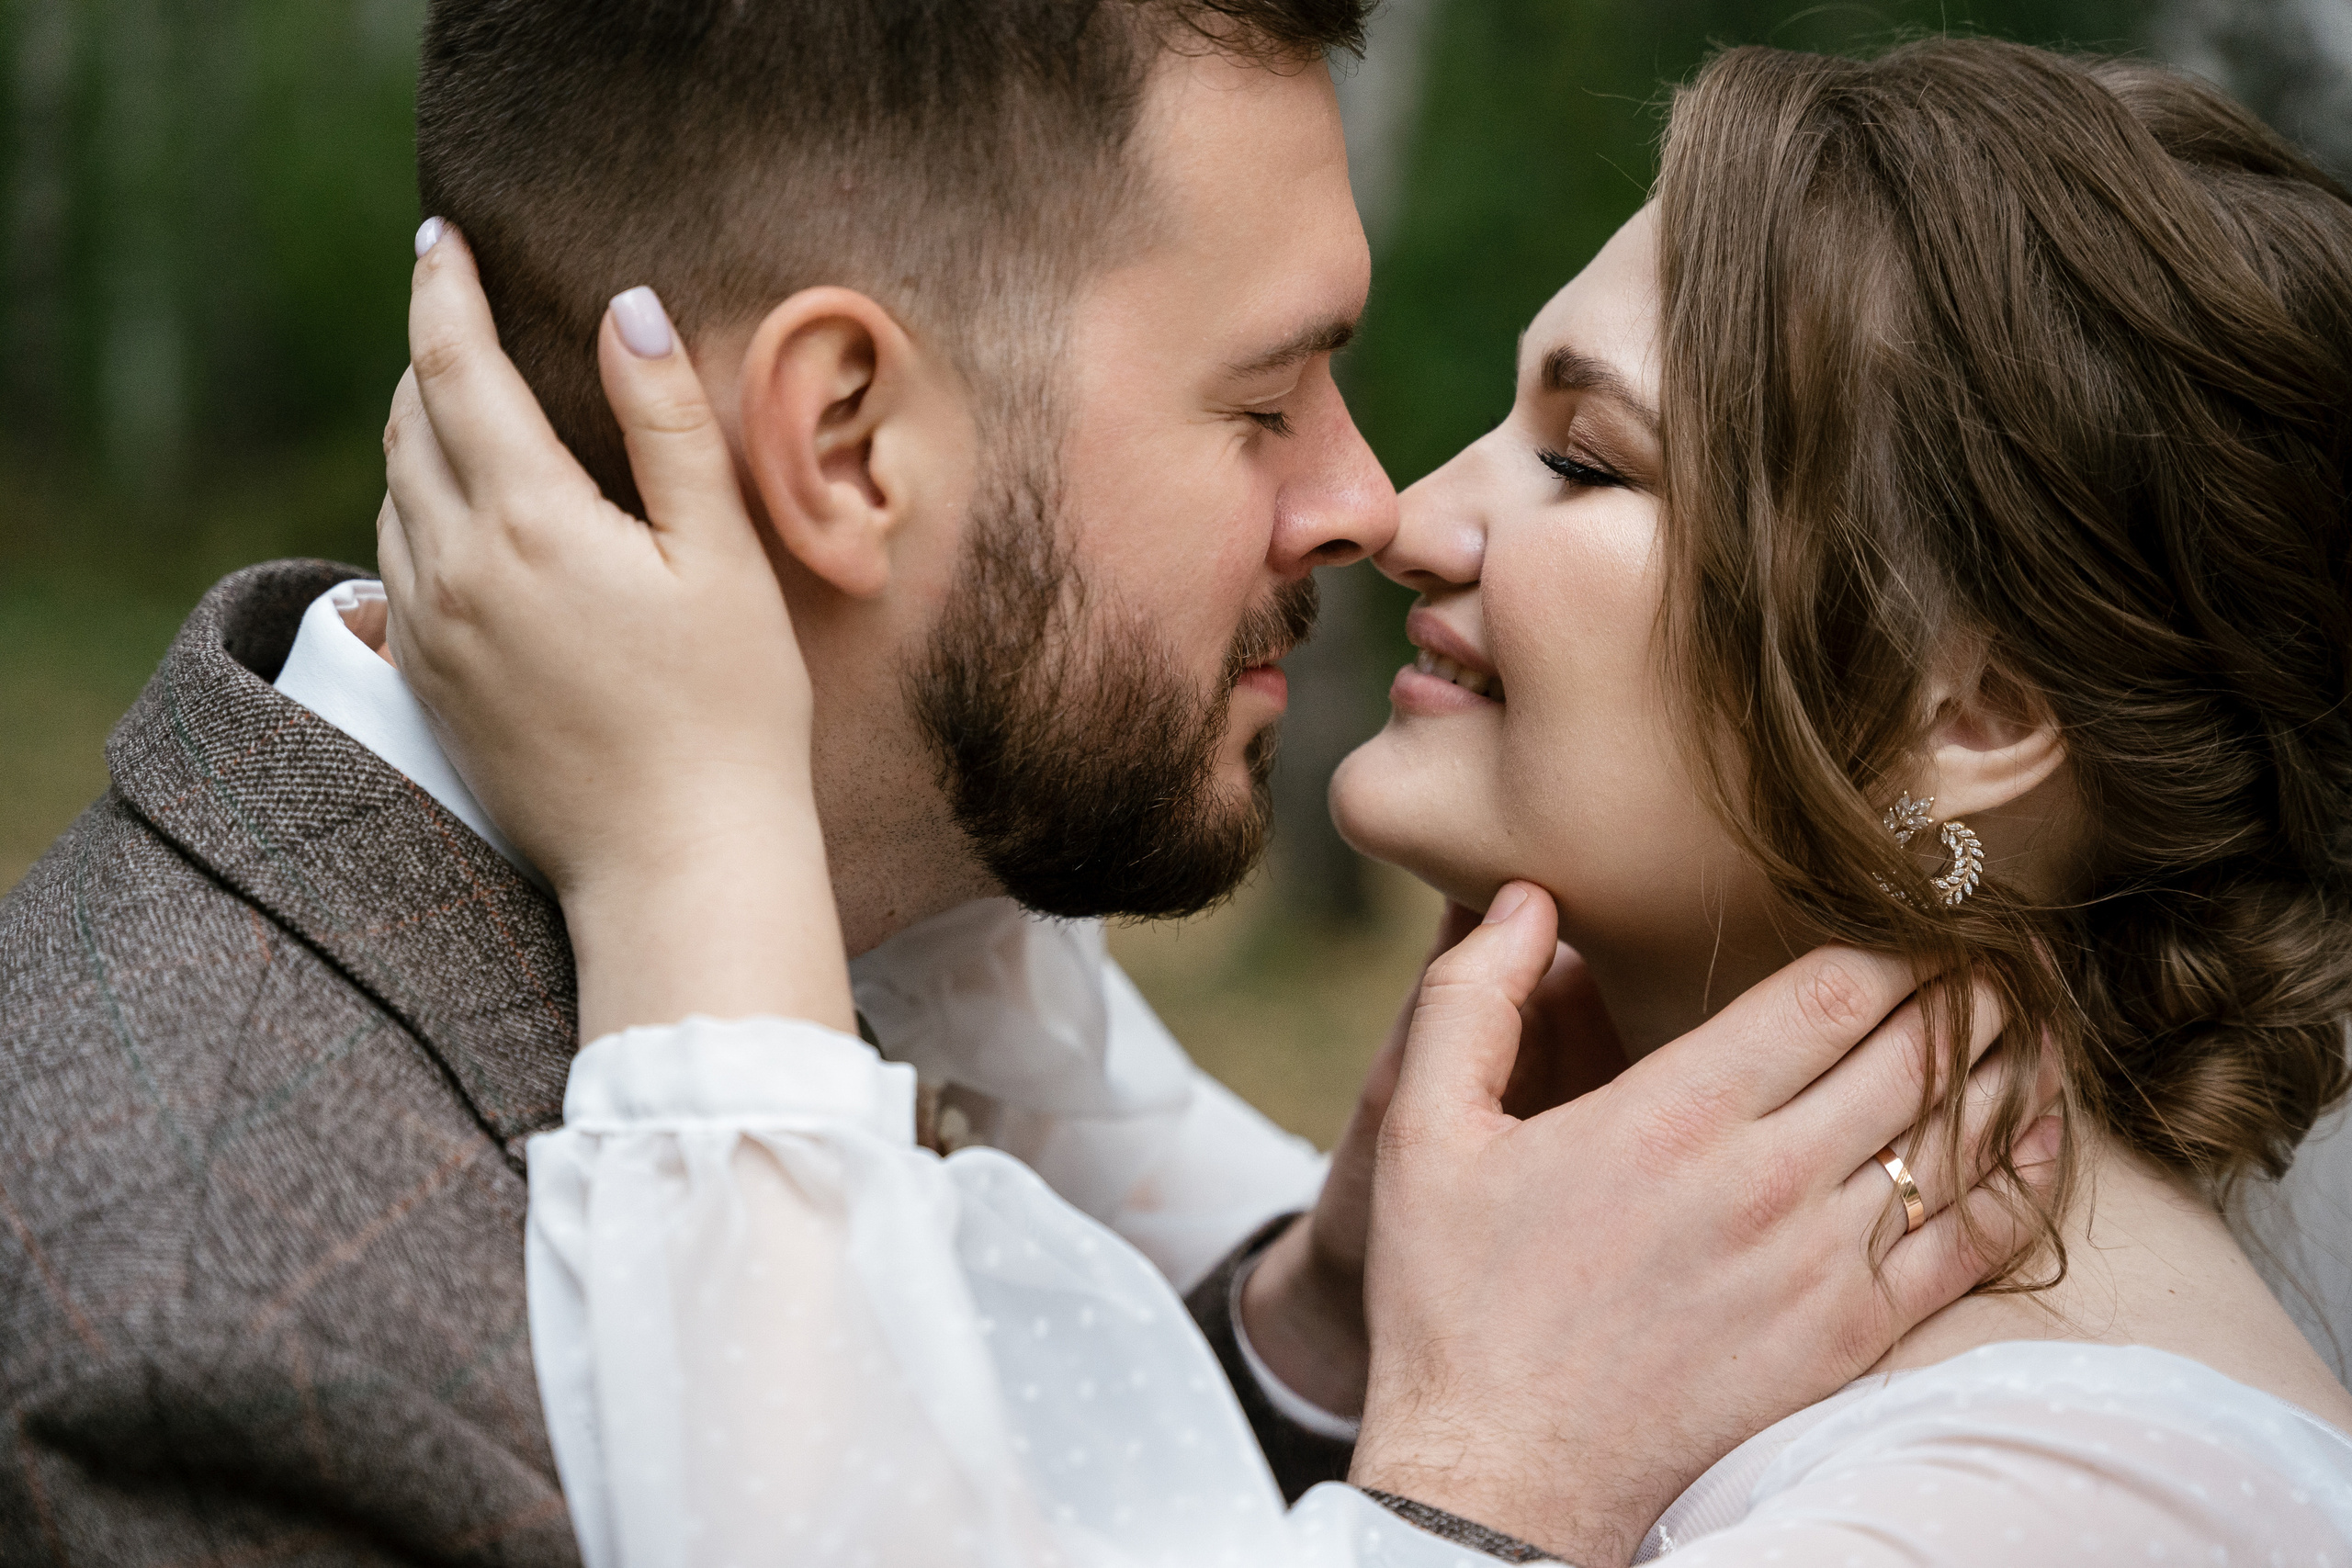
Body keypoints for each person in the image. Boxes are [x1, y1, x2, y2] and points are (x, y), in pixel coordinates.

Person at [0, 6, 2041, 1564]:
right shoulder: (213, 1356)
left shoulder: (868, 899)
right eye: (1264, 400)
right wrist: (1483, 1494)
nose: (1368, 501)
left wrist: (1319, 1338)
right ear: (848, 444)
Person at [375, 33, 2352, 1568]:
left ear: (1974, 712)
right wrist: (1336, 1324)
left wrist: (1479, 1487)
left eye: (1586, 462)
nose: (1406, 513)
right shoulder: (1651, 1283)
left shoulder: (2069, 1505)